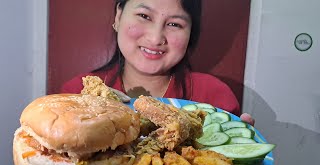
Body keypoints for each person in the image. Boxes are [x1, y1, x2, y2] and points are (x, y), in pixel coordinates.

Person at [60, 0, 254, 125]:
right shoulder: (74, 93)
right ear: (118, 16)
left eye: (174, 24)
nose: (155, 38)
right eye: (144, 16)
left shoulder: (214, 97)